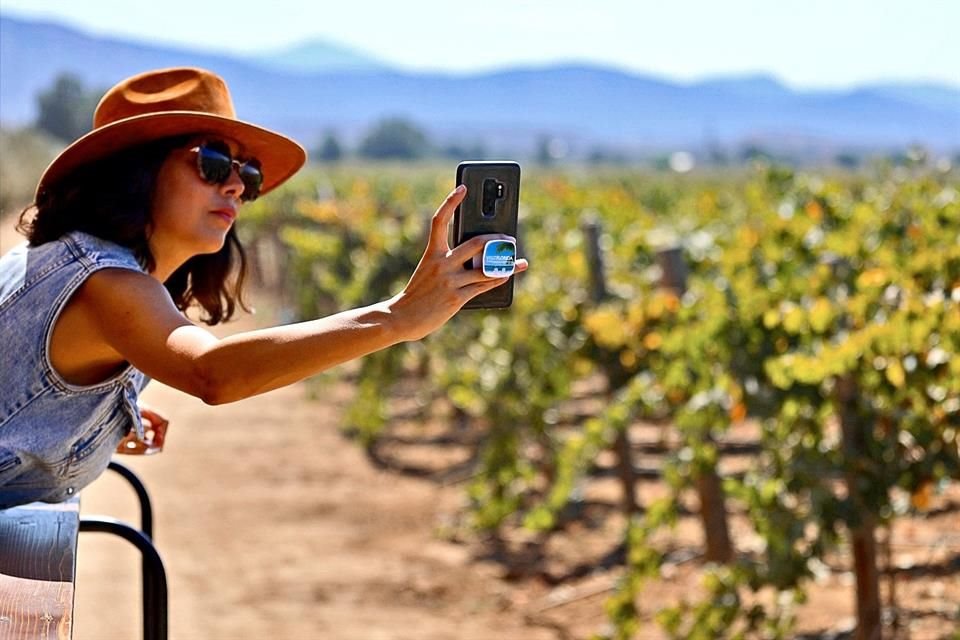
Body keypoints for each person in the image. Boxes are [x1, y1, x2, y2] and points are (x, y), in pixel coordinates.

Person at [0, 67, 526, 509]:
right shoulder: (106, 282)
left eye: (246, 173)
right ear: (135, 173)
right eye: (210, 163)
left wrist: (94, 424)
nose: (234, 185)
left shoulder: (81, 263)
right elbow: (213, 374)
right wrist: (395, 318)